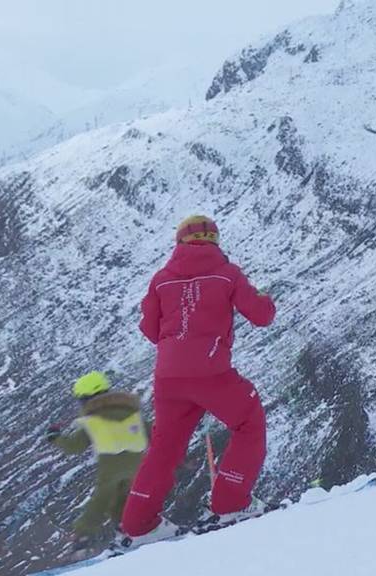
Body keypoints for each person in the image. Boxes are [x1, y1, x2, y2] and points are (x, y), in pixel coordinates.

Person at [119, 215, 275, 548]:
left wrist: (179, 343)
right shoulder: (227, 273)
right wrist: (264, 297)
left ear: (179, 243)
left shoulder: (161, 279)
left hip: (168, 378)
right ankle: (231, 503)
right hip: (211, 373)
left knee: (164, 448)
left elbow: (149, 328)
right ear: (214, 241)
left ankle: (138, 524)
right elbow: (262, 316)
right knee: (249, 420)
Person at [46, 371, 148, 558]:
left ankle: (82, 540)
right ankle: (140, 529)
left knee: (103, 502)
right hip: (139, 466)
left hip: (111, 469)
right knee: (131, 500)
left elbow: (73, 447)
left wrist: (55, 438)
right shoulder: (133, 413)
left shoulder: (92, 421)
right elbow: (152, 432)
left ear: (86, 399)